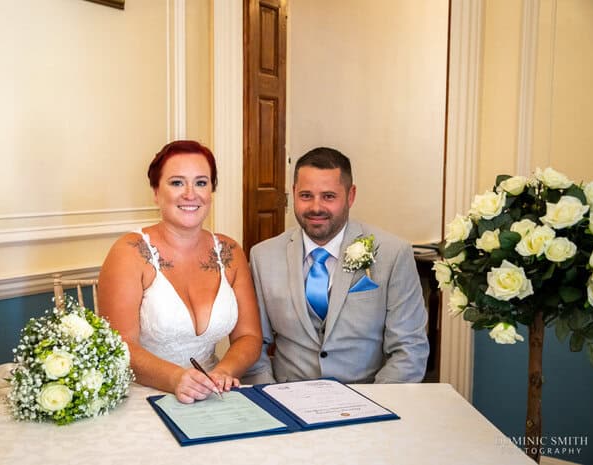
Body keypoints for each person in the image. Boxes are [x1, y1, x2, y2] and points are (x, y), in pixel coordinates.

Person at [243, 147, 429, 385]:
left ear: (350, 196)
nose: (316, 207)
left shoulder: (393, 253)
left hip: (367, 398)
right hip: (288, 398)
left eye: (329, 196)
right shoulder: (263, 256)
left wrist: (377, 406)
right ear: (293, 193)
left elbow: (409, 349)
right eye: (306, 195)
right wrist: (269, 398)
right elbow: (253, 345)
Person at [99, 140, 262, 403]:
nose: (190, 194)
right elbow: (121, 345)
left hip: (212, 394)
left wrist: (223, 372)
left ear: (211, 190)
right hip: (144, 395)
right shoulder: (129, 252)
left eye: (201, 182)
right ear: (155, 191)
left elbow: (248, 336)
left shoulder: (230, 252)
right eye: (176, 183)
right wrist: (176, 379)